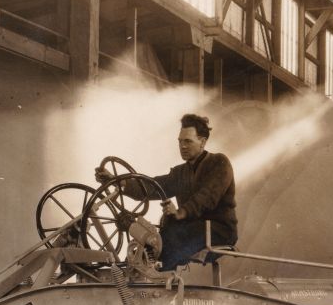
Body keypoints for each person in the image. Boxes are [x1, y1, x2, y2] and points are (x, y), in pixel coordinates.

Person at [95, 113, 238, 271]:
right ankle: (139, 272)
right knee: (155, 239)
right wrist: (117, 180)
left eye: (188, 141)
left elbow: (207, 197)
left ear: (203, 142)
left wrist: (181, 213)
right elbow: (151, 187)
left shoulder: (219, 163)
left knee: (170, 239)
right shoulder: (180, 172)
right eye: (180, 141)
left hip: (218, 230)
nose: (182, 146)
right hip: (190, 228)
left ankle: (152, 277)